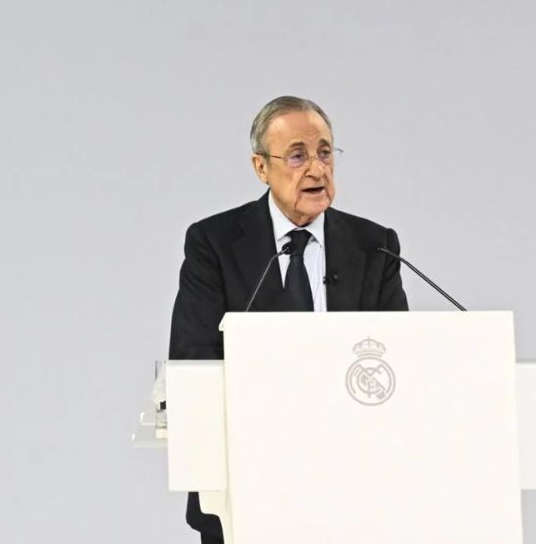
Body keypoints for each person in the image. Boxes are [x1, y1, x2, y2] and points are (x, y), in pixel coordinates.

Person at [168, 96, 408, 543]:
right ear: (262, 167)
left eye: (324, 152)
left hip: (355, 489)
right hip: (249, 483)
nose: (316, 169)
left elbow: (401, 360)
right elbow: (193, 357)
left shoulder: (374, 245)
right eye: (297, 155)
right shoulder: (214, 243)